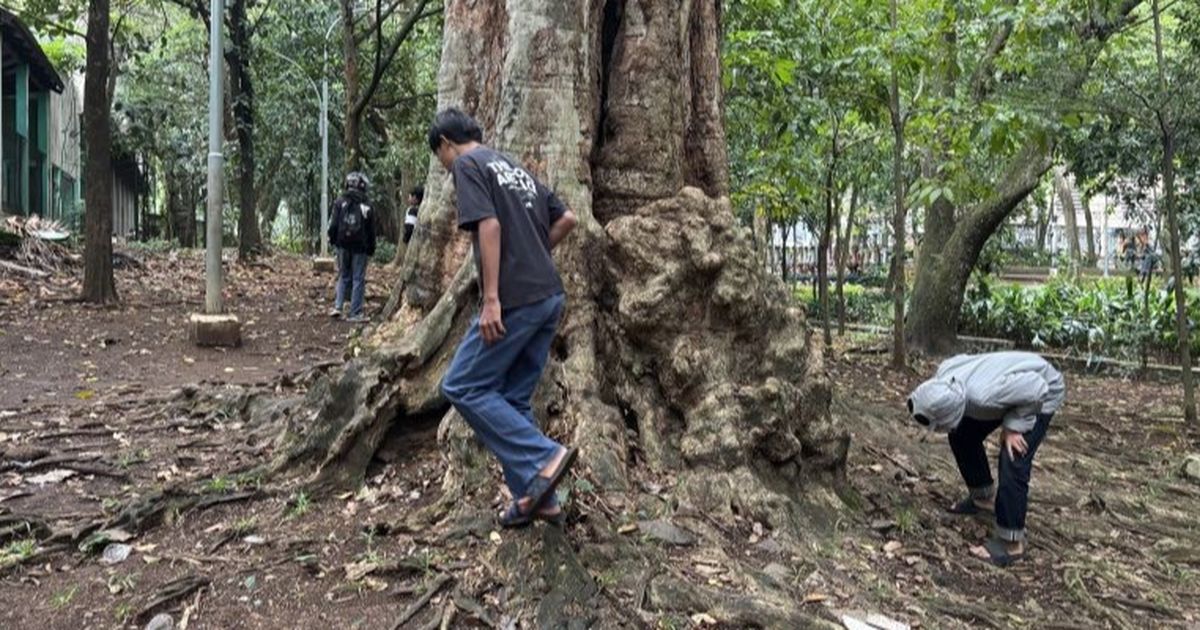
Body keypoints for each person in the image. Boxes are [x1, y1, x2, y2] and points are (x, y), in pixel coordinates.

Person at [431, 108, 580, 528]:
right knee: (514, 399)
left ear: (446, 143)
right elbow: (566, 218)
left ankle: (544, 456)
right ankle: (538, 499)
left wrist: (492, 298)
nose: (444, 167)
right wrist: (533, 252)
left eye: (439, 157)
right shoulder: (510, 165)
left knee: (461, 383)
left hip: (515, 300)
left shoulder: (467, 165)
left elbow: (489, 226)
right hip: (548, 294)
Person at [906, 351, 1065, 566]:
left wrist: (1014, 427)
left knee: (1013, 456)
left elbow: (1036, 388)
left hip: (1042, 390)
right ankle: (983, 499)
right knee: (962, 435)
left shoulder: (983, 396)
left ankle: (1011, 543)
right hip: (1010, 392)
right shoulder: (944, 374)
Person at [327, 171, 377, 323]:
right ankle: (355, 312)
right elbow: (371, 230)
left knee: (343, 275)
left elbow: (333, 224)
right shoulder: (367, 205)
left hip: (342, 245)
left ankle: (338, 306)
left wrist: (333, 239)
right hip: (360, 247)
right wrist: (371, 248)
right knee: (358, 278)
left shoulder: (340, 202)